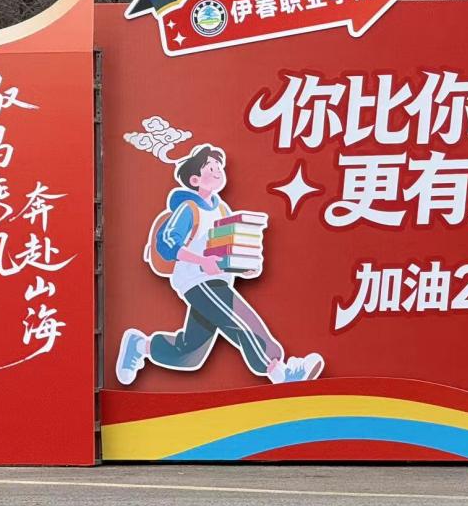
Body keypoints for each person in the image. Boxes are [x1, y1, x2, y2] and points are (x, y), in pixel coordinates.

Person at [114, 144, 323, 385]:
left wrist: (244, 266)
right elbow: (167, 243)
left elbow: (226, 248)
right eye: (210, 168)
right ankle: (281, 373)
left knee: (190, 353)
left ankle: (140, 345)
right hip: (197, 280)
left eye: (218, 167)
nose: (217, 171)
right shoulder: (189, 208)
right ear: (195, 180)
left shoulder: (222, 209)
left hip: (218, 279)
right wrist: (202, 261)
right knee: (241, 320)